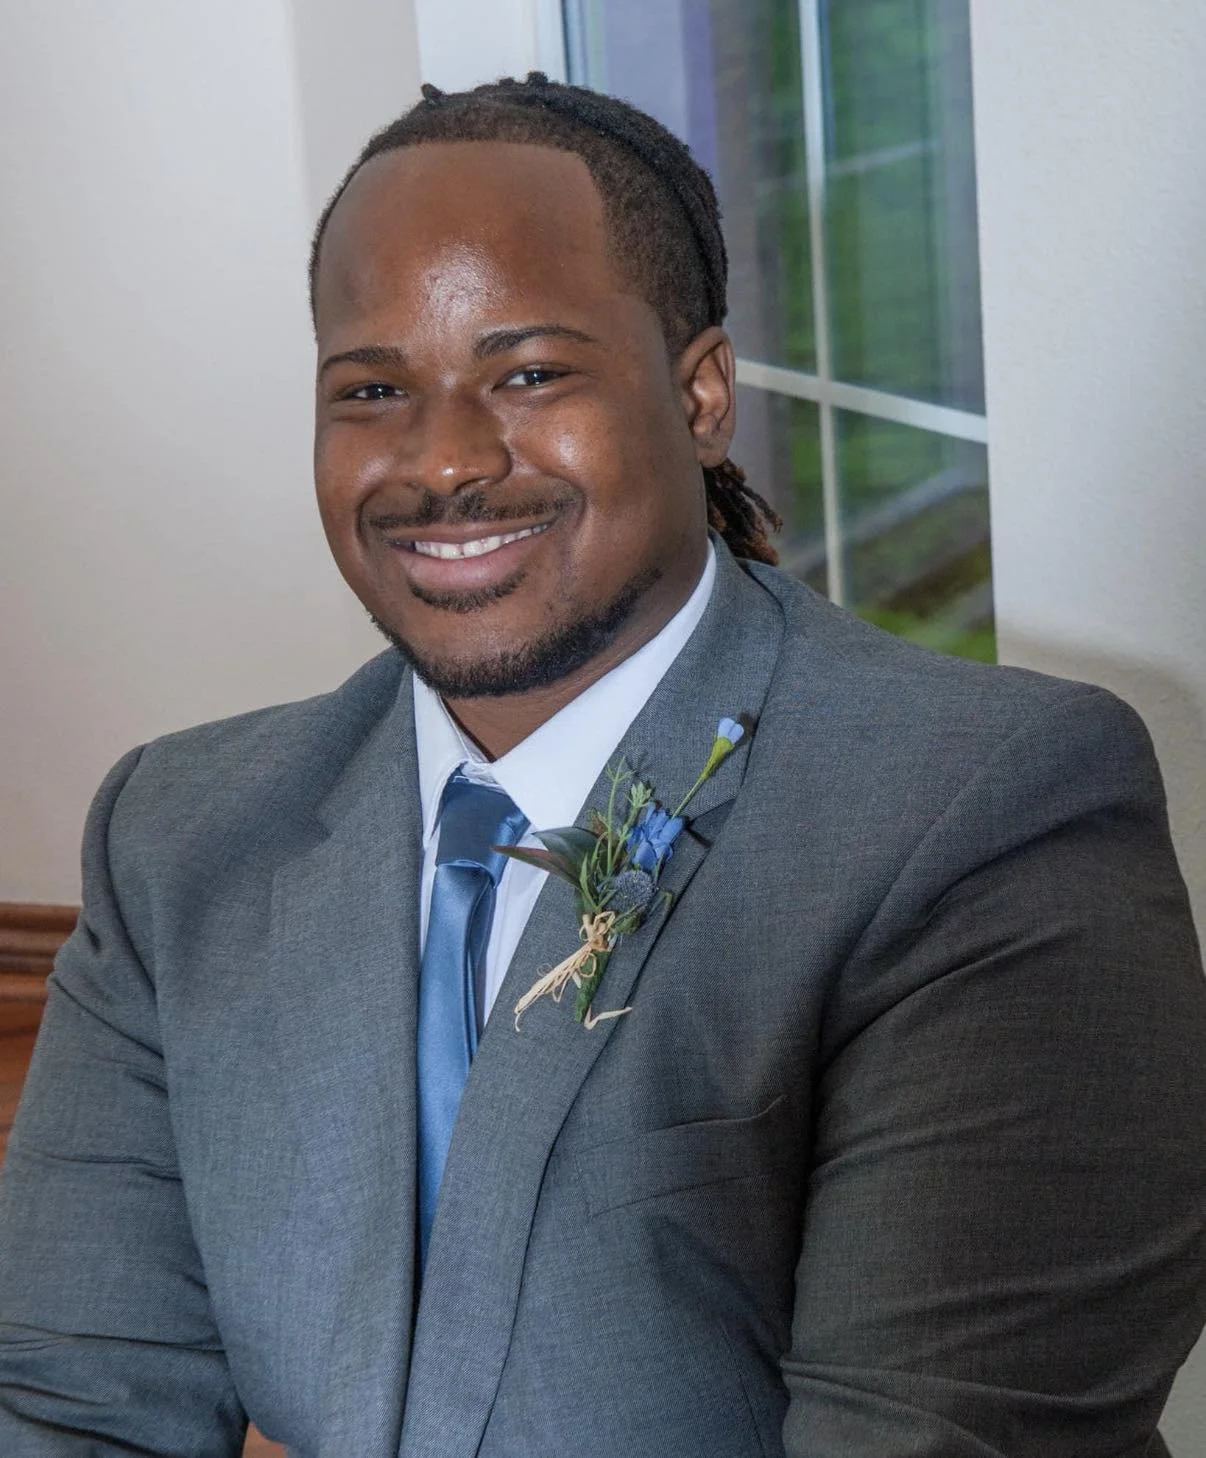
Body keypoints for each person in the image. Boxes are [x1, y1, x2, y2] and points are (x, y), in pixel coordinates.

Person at [0, 73, 1203, 1458]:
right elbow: (70, 1409)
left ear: (696, 395)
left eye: (526, 373)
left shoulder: (987, 809)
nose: (441, 461)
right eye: (374, 388)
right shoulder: (182, 833)